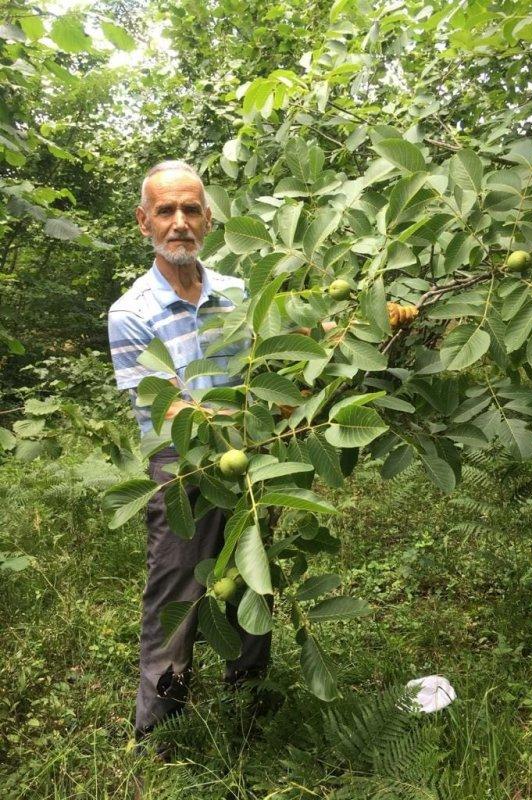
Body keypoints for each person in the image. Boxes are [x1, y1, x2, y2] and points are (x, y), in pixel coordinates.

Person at [107, 160, 272, 752]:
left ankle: (248, 690)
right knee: (177, 586)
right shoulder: (131, 313)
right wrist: (246, 423)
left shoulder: (238, 293)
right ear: (144, 221)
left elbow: (273, 366)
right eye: (166, 211)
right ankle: (161, 721)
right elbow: (169, 410)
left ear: (207, 217)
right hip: (181, 467)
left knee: (255, 575)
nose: (180, 222)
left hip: (248, 458)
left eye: (191, 209)